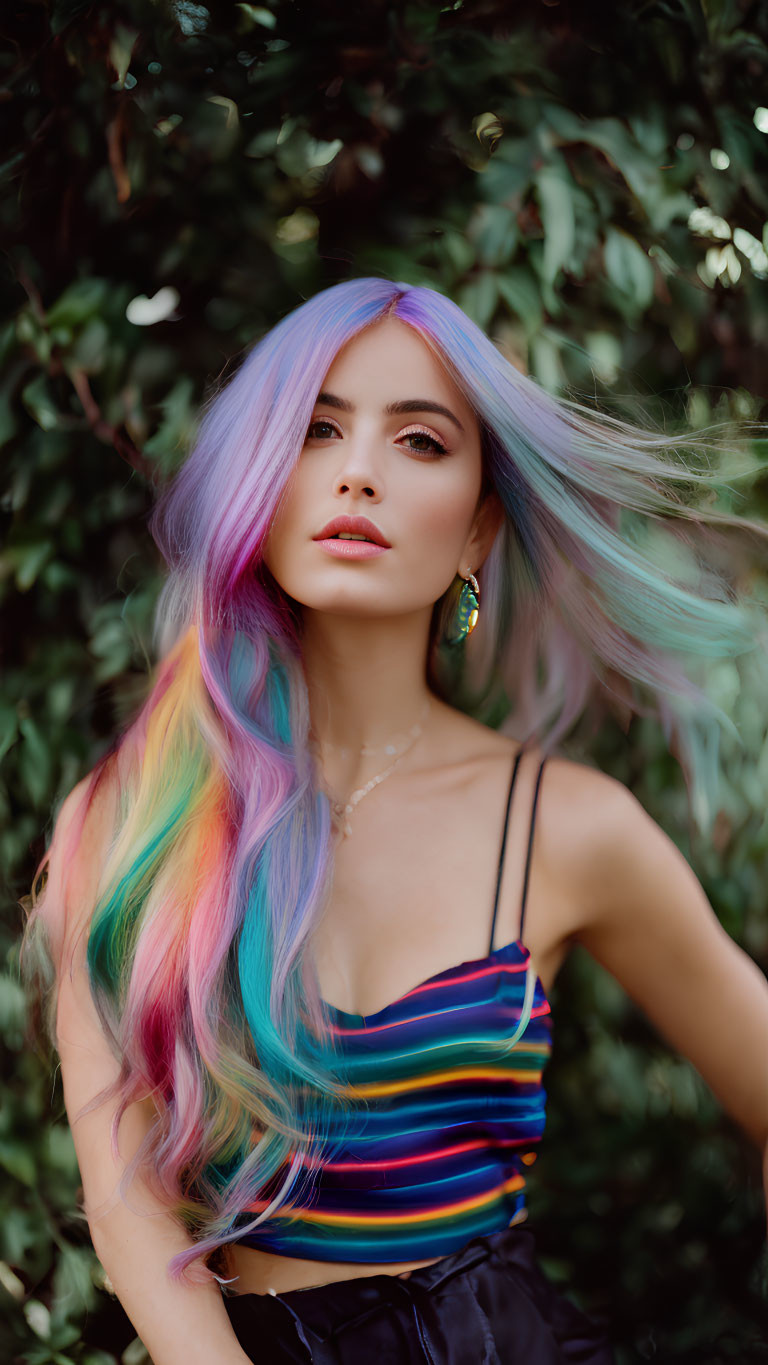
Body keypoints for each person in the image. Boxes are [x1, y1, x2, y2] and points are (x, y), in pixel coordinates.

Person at [20, 276, 768, 1365]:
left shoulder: (565, 827)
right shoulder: (134, 820)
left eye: (420, 442)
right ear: (260, 480)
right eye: (317, 428)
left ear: (478, 530)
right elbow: (130, 1216)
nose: (359, 470)